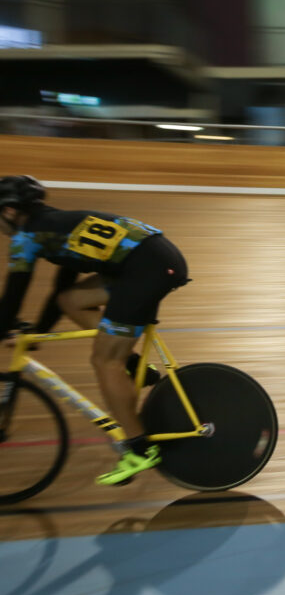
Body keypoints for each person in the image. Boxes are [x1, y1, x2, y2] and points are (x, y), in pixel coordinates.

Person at [0, 175, 189, 485]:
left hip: (145, 269)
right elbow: (60, 291)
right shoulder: (57, 224)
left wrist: (8, 327)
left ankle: (140, 450)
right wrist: (36, 333)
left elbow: (11, 300)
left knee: (104, 361)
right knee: (70, 300)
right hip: (151, 259)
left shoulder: (26, 238)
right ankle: (132, 364)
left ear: (8, 211)